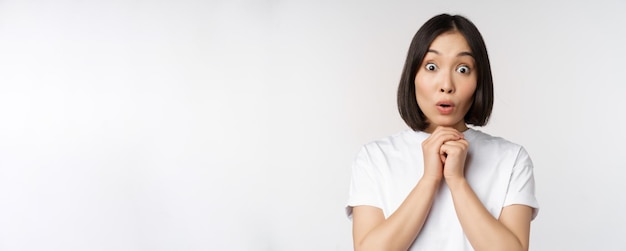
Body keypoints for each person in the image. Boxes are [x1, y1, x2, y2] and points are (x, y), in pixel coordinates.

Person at [345, 13, 539, 251]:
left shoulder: (512, 159)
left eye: (463, 69)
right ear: (413, 76)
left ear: (479, 81)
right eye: (432, 66)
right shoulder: (374, 158)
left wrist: (457, 182)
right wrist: (429, 180)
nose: (446, 85)